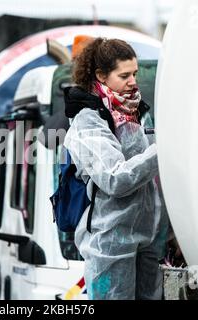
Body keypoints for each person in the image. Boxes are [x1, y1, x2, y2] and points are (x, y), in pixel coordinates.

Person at [63, 38, 168, 300]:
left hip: (151, 237)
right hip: (111, 242)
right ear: (101, 76)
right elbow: (114, 178)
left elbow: (157, 179)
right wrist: (166, 147)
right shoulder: (88, 120)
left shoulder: (137, 111)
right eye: (124, 75)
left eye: (134, 73)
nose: (133, 81)